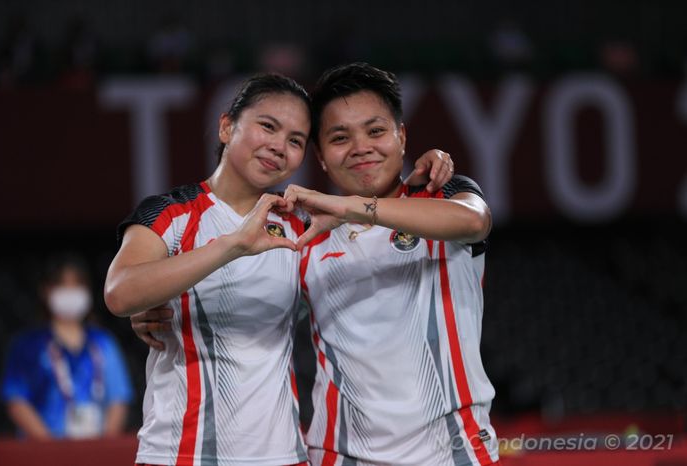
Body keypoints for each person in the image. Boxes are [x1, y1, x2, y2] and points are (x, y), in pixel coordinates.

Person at [105, 71, 453, 465]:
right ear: (226, 127)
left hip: (285, 456)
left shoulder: (301, 228)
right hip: (178, 454)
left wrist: (431, 163)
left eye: (295, 141)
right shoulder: (171, 213)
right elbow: (120, 291)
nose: (278, 147)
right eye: (267, 127)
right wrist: (232, 246)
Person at [281, 62, 501, 465]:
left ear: (402, 137)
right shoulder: (304, 239)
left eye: (376, 131)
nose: (361, 147)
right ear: (322, 157)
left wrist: (353, 209)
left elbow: (474, 221)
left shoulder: (443, 195)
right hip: (340, 454)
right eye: (340, 137)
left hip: (454, 452)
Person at [1, 253, 132, 439]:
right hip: (42, 452)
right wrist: (52, 449)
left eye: (77, 284)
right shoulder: (26, 345)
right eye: (62, 284)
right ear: (45, 291)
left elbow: (118, 399)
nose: (70, 291)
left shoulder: (104, 342)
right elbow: (16, 400)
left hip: (95, 451)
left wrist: (103, 449)